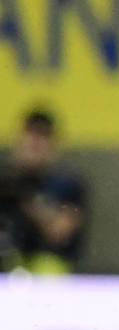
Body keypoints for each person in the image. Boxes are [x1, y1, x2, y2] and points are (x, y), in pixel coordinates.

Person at [0, 108, 87, 274]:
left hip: (47, 263)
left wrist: (28, 198)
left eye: (43, 136)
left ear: (54, 143)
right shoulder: (5, 177)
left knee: (49, 270)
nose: (35, 143)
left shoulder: (68, 183)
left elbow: (59, 232)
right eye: (30, 135)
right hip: (7, 262)